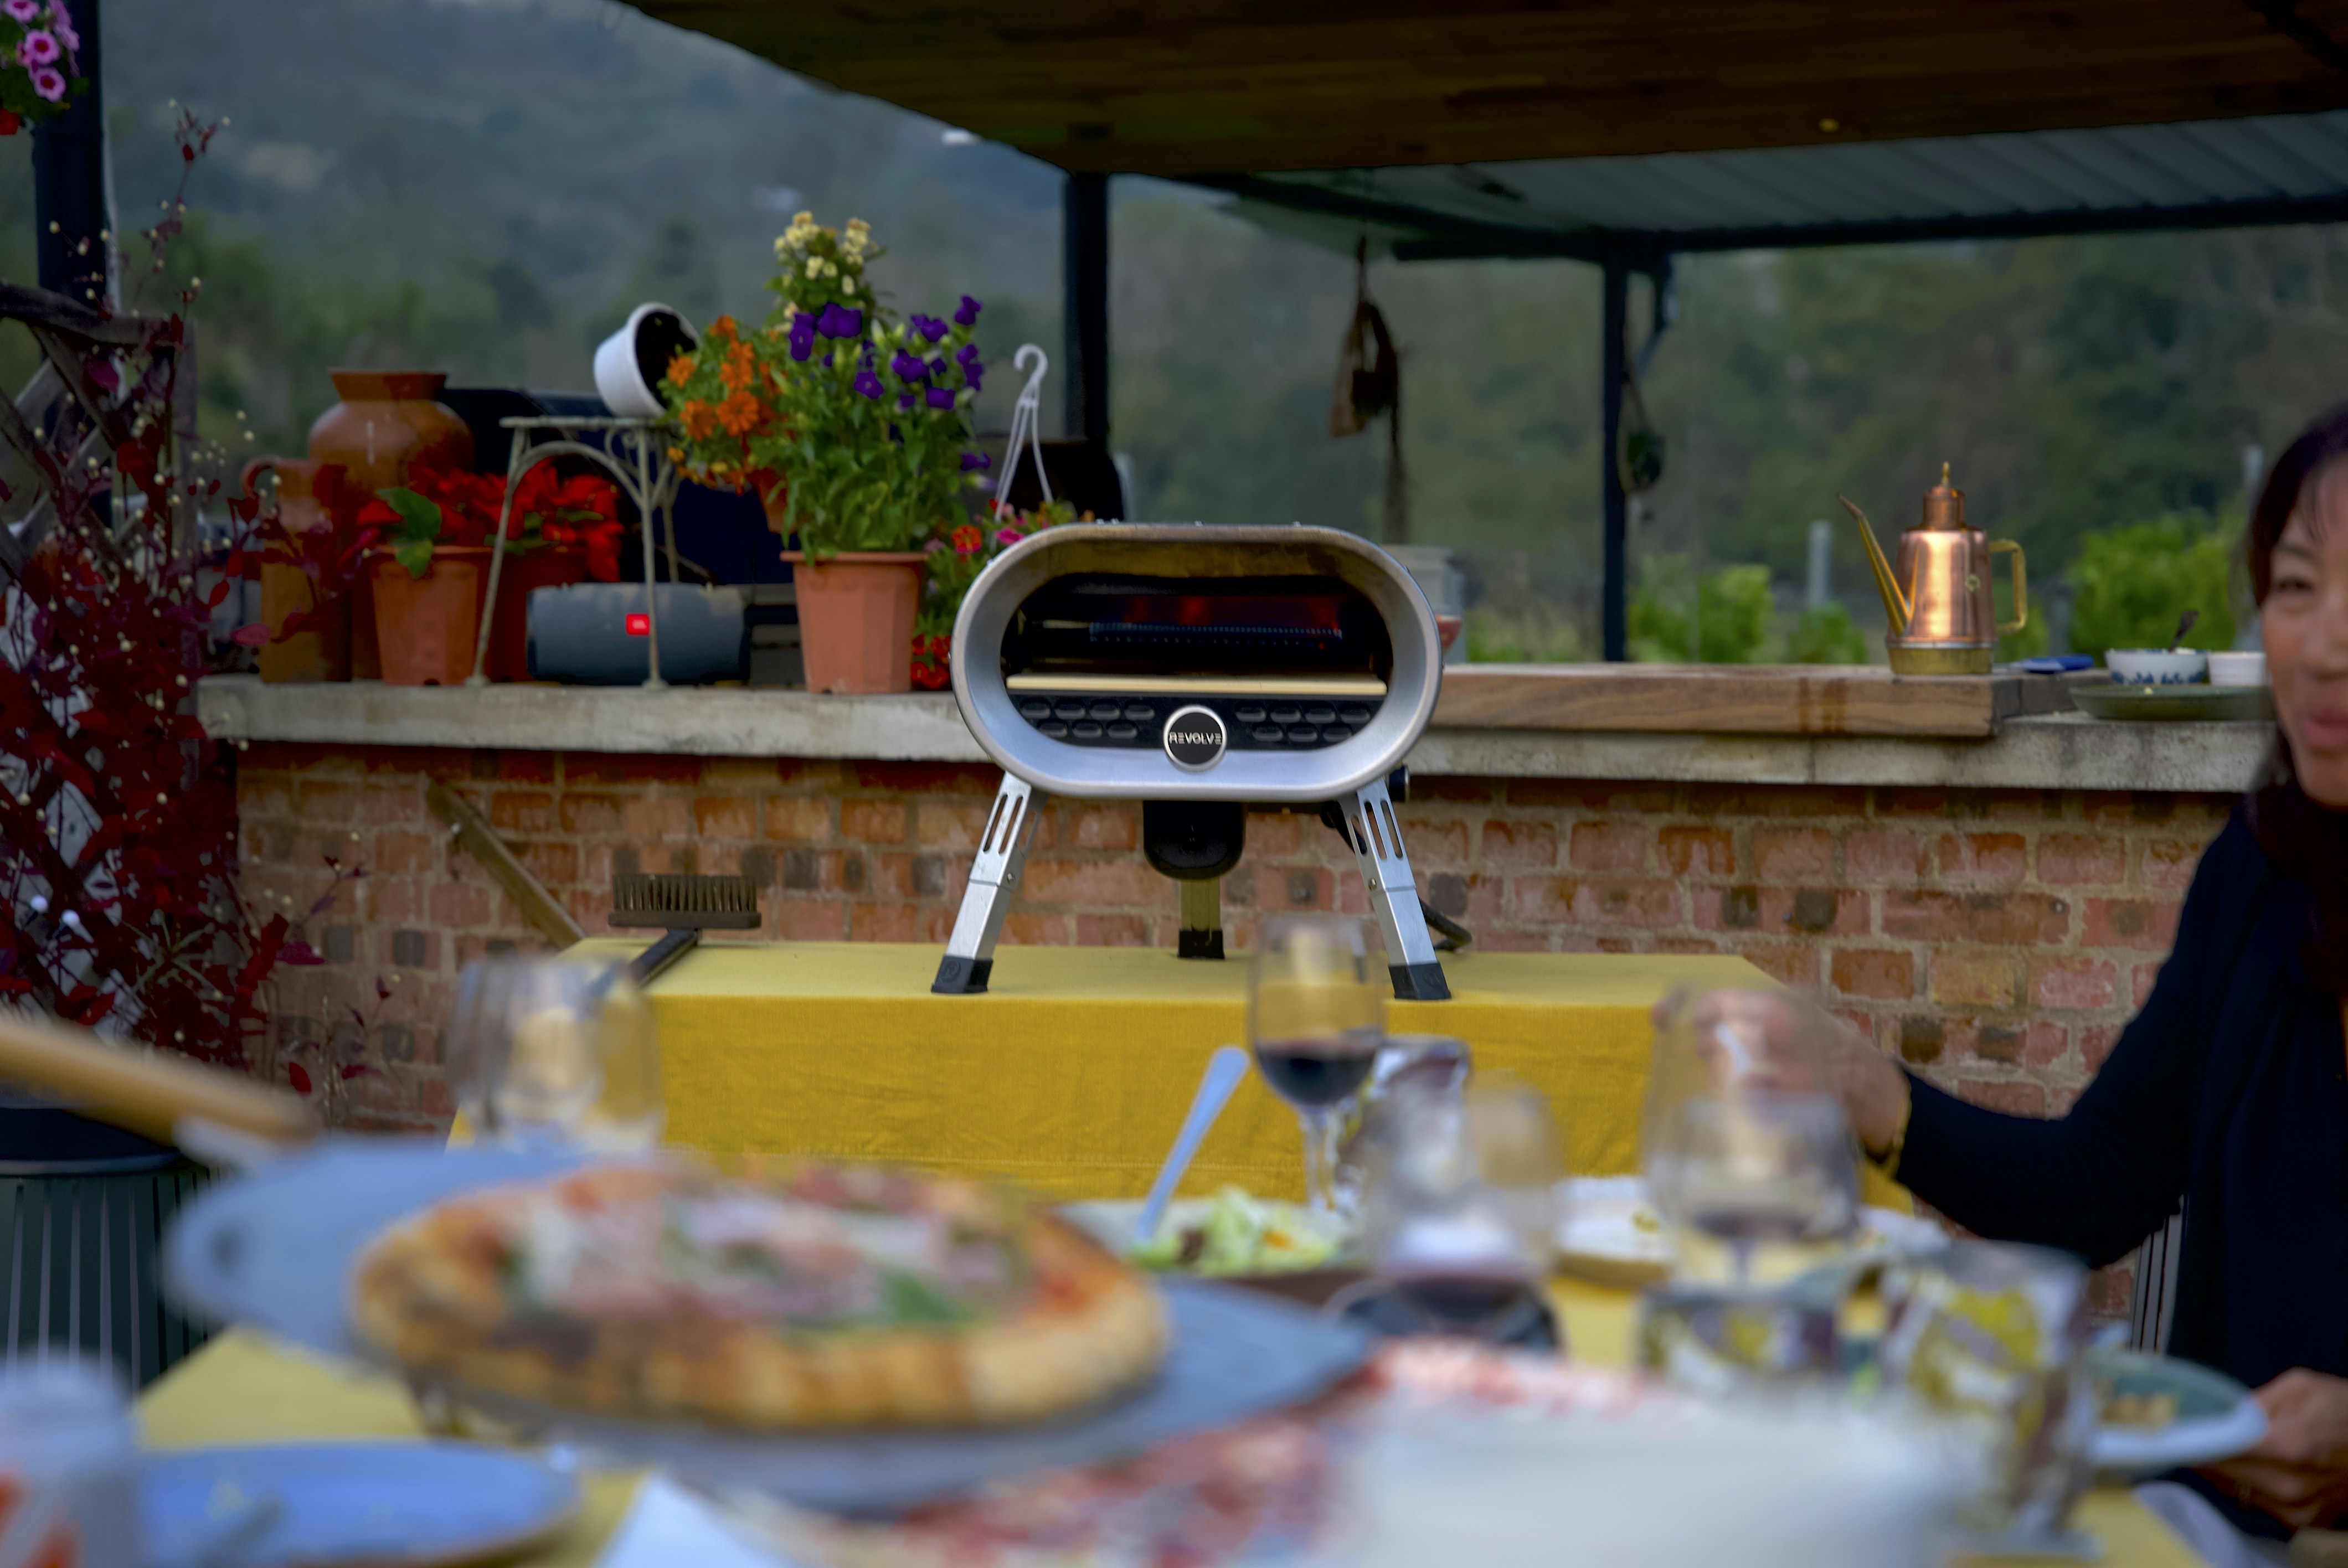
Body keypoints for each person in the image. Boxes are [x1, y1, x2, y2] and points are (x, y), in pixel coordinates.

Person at [1687, 407, 2348, 1562]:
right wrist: (1856, 1083)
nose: (2326, 643)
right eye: (2295, 588)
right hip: (2222, 1534)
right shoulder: (2257, 879)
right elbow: (2093, 1190)